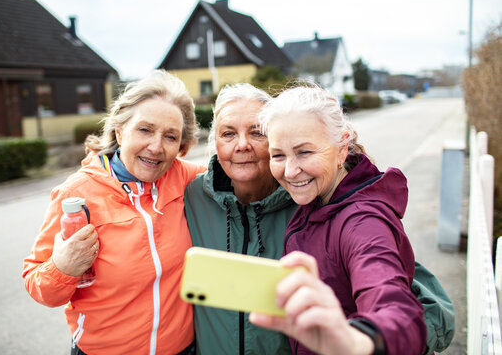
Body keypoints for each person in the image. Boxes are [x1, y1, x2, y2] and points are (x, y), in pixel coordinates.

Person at [22, 70, 206, 355]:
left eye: (170, 137)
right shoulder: (76, 194)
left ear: (180, 147)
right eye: (145, 130)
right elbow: (39, 287)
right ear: (120, 131)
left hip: (182, 349)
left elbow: (238, 174)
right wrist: (62, 268)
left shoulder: (185, 177)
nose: (156, 147)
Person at [250, 84, 427, 355]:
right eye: (278, 155)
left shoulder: (362, 222)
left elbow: (397, 311)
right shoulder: (318, 198)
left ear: (342, 149)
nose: (290, 171)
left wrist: (359, 343)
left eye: (305, 152)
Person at [184, 83, 298, 354]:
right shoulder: (191, 197)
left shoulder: (304, 201)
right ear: (216, 142)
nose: (242, 145)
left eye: (257, 132)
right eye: (228, 134)